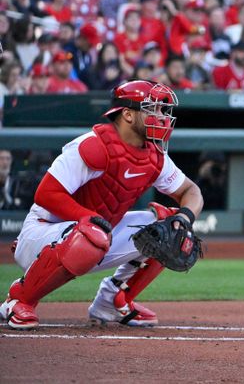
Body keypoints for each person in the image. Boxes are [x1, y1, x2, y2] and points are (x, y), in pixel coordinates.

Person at [0, 80, 204, 330]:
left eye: (163, 110)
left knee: (169, 227)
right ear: (128, 114)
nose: (161, 117)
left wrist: (183, 219)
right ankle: (19, 298)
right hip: (43, 234)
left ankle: (113, 301)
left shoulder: (154, 155)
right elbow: (46, 194)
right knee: (92, 233)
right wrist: (87, 218)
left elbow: (191, 191)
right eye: (153, 109)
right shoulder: (93, 145)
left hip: (97, 234)